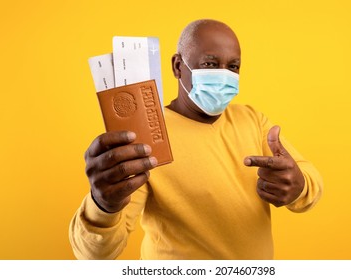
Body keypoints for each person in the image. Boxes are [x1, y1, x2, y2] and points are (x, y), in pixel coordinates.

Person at [69, 19, 323, 260]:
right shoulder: (146, 137)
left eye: (233, 66)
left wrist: (298, 185)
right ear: (178, 66)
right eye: (211, 65)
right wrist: (103, 204)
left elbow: (310, 182)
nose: (224, 76)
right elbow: (95, 255)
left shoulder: (252, 119)